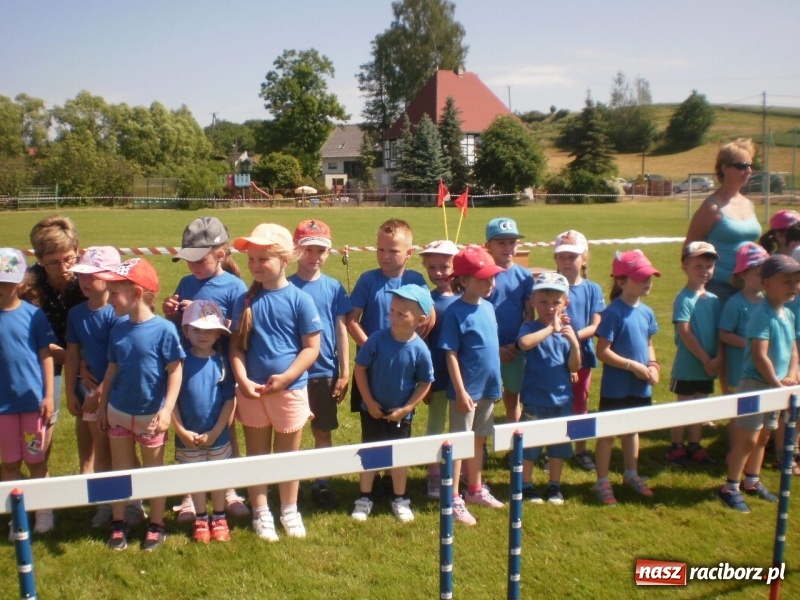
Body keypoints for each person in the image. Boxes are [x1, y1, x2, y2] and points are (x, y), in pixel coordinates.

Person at [230, 223, 321, 542]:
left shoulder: (300, 300)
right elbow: (237, 347)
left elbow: (312, 348)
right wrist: (242, 380)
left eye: (262, 259)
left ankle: (288, 509)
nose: (254, 265)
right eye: (251, 259)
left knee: (286, 457)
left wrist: (286, 378)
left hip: (290, 392)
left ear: (285, 259)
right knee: (257, 457)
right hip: (252, 394)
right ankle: (260, 511)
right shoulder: (244, 301)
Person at [162, 216, 249, 521]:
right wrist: (170, 310)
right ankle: (189, 495)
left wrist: (220, 323)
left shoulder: (235, 286)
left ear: (221, 255)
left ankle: (228, 490)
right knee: (188, 420)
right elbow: (177, 325)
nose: (193, 267)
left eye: (200, 260)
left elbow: (242, 329)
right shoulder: (187, 282)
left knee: (225, 427)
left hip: (221, 367)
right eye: (188, 261)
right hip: (190, 366)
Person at [97, 258, 185, 551]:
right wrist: (102, 406)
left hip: (151, 417)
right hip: (118, 413)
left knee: (153, 472)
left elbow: (175, 370)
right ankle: (119, 523)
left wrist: (167, 408)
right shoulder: (118, 328)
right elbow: (111, 369)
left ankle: (157, 524)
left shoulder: (164, 331)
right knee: (119, 470)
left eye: (114, 292)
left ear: (136, 293)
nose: (108, 299)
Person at [18, 216, 86, 529]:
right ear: (39, 260)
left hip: (84, 358)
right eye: (54, 262)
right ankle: (41, 494)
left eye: (69, 258)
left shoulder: (87, 280)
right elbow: (28, 339)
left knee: (89, 416)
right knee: (43, 423)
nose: (64, 267)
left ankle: (88, 480)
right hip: (41, 361)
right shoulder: (26, 285)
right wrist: (67, 357)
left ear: (79, 251)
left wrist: (80, 361)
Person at [718, 254, 800, 512]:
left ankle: (752, 480)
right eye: (786, 281)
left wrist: (792, 374)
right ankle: (730, 486)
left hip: (777, 386)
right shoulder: (761, 315)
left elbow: (793, 349)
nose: (794, 286)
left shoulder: (787, 313)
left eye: (797, 281)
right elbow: (759, 354)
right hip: (756, 384)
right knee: (748, 438)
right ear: (767, 284)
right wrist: (777, 384)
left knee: (765, 436)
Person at [351, 285, 434, 523]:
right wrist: (369, 402)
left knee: (399, 457)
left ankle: (400, 498)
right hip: (372, 410)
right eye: (392, 310)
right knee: (370, 453)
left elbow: (425, 382)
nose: (393, 317)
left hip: (401, 414)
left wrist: (407, 409)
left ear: (420, 320)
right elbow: (360, 368)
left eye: (401, 313)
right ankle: (364, 497)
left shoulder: (420, 349)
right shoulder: (377, 339)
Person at [64, 246, 135, 529]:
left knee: (124, 452)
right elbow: (72, 353)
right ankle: (107, 504)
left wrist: (101, 393)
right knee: (102, 450)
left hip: (116, 394)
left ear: (109, 278)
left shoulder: (118, 314)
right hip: (91, 396)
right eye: (81, 274)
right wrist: (71, 391)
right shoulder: (76, 313)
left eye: (91, 275)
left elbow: (120, 359)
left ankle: (134, 502)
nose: (84, 281)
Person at [440, 245, 507, 525]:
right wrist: (461, 391)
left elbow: (491, 350)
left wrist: (498, 384)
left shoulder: (490, 307)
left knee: (479, 439)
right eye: (483, 278)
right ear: (464, 280)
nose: (491, 283)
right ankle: (453, 497)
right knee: (460, 442)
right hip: (466, 393)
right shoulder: (455, 313)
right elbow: (451, 354)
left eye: (492, 277)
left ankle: (475, 488)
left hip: (489, 388)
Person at [288, 219, 352, 511]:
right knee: (291, 432)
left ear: (329, 253)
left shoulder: (334, 288)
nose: (314, 257)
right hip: (293, 374)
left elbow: (341, 328)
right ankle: (292, 483)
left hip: (325, 371)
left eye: (320, 251)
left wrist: (345, 371)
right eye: (308, 250)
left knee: (322, 430)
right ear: (296, 250)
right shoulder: (285, 286)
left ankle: (322, 482)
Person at [594, 250, 661, 506]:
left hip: (640, 384)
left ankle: (631, 474)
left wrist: (652, 365)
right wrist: (633, 366)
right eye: (641, 278)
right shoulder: (613, 313)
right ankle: (602, 480)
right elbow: (603, 352)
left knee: (632, 431)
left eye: (649, 277)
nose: (647, 282)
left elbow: (649, 343)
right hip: (616, 387)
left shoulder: (647, 312)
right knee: (608, 434)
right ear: (621, 282)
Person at [346, 219, 428, 413]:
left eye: (393, 251)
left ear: (409, 253)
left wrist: (409, 348)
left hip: (402, 365)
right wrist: (372, 349)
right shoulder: (367, 280)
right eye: (381, 250)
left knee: (400, 424)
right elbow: (351, 319)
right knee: (371, 420)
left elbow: (428, 318)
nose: (385, 256)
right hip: (370, 366)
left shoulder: (415, 281)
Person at [0, 248, 56, 534]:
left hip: (33, 404)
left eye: (6, 282)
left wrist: (48, 396)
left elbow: (46, 356)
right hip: (3, 409)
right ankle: (16, 517)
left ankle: (44, 512)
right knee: (9, 463)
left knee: (36, 460)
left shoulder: (34, 316)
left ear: (19, 282)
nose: (1, 288)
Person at [173, 300, 235, 542]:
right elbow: (172, 401)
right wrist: (181, 432)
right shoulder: (181, 362)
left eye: (209, 330)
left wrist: (216, 431)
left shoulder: (221, 362)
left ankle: (219, 517)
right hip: (187, 436)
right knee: (195, 476)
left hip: (217, 434)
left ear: (219, 333)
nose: (202, 335)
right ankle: (201, 517)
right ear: (186, 331)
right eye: (196, 329)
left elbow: (228, 401)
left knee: (217, 475)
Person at [516, 273, 581, 505]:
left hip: (562, 399)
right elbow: (523, 344)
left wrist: (573, 343)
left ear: (565, 304)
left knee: (558, 445)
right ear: (533, 302)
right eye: (543, 302)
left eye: (556, 302)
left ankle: (554, 485)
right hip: (535, 399)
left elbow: (574, 365)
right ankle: (526, 484)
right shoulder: (530, 327)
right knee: (530, 445)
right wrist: (550, 330)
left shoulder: (567, 332)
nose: (550, 307)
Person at [684, 138, 762, 308]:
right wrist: (696, 286)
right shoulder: (711, 208)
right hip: (719, 288)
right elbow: (689, 250)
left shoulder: (749, 204)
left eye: (750, 165)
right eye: (742, 166)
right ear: (725, 167)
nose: (748, 170)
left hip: (750, 287)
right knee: (722, 335)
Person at [553, 230, 605, 471]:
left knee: (580, 403)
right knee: (554, 403)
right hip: (553, 357)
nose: (566, 262)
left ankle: (581, 450)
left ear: (584, 258)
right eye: (561, 257)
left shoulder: (592, 289)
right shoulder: (551, 286)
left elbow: (595, 325)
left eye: (571, 257)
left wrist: (573, 336)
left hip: (582, 356)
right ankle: (553, 448)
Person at [667, 241, 722, 466]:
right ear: (685, 267)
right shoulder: (684, 298)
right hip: (688, 367)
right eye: (698, 266)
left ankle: (695, 445)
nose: (704, 271)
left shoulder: (715, 300)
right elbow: (685, 333)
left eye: (708, 266)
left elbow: (721, 332)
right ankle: (676, 447)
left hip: (707, 367)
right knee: (684, 407)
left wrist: (718, 358)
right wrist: (706, 359)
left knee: (701, 407)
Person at [418, 239, 460, 499]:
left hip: (463, 378)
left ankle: (459, 471)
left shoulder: (467, 299)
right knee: (435, 424)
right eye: (432, 267)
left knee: (461, 426)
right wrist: (425, 380)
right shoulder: (426, 302)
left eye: (444, 266)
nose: (438, 273)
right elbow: (422, 343)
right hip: (437, 376)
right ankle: (434, 473)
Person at [484, 217, 534, 423]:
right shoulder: (482, 275)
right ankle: (481, 446)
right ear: (489, 246)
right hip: (486, 348)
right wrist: (494, 348)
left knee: (513, 398)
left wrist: (516, 345)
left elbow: (530, 314)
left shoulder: (525, 276)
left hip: (515, 350)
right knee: (484, 398)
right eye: (501, 242)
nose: (507, 247)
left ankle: (516, 445)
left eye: (512, 242)